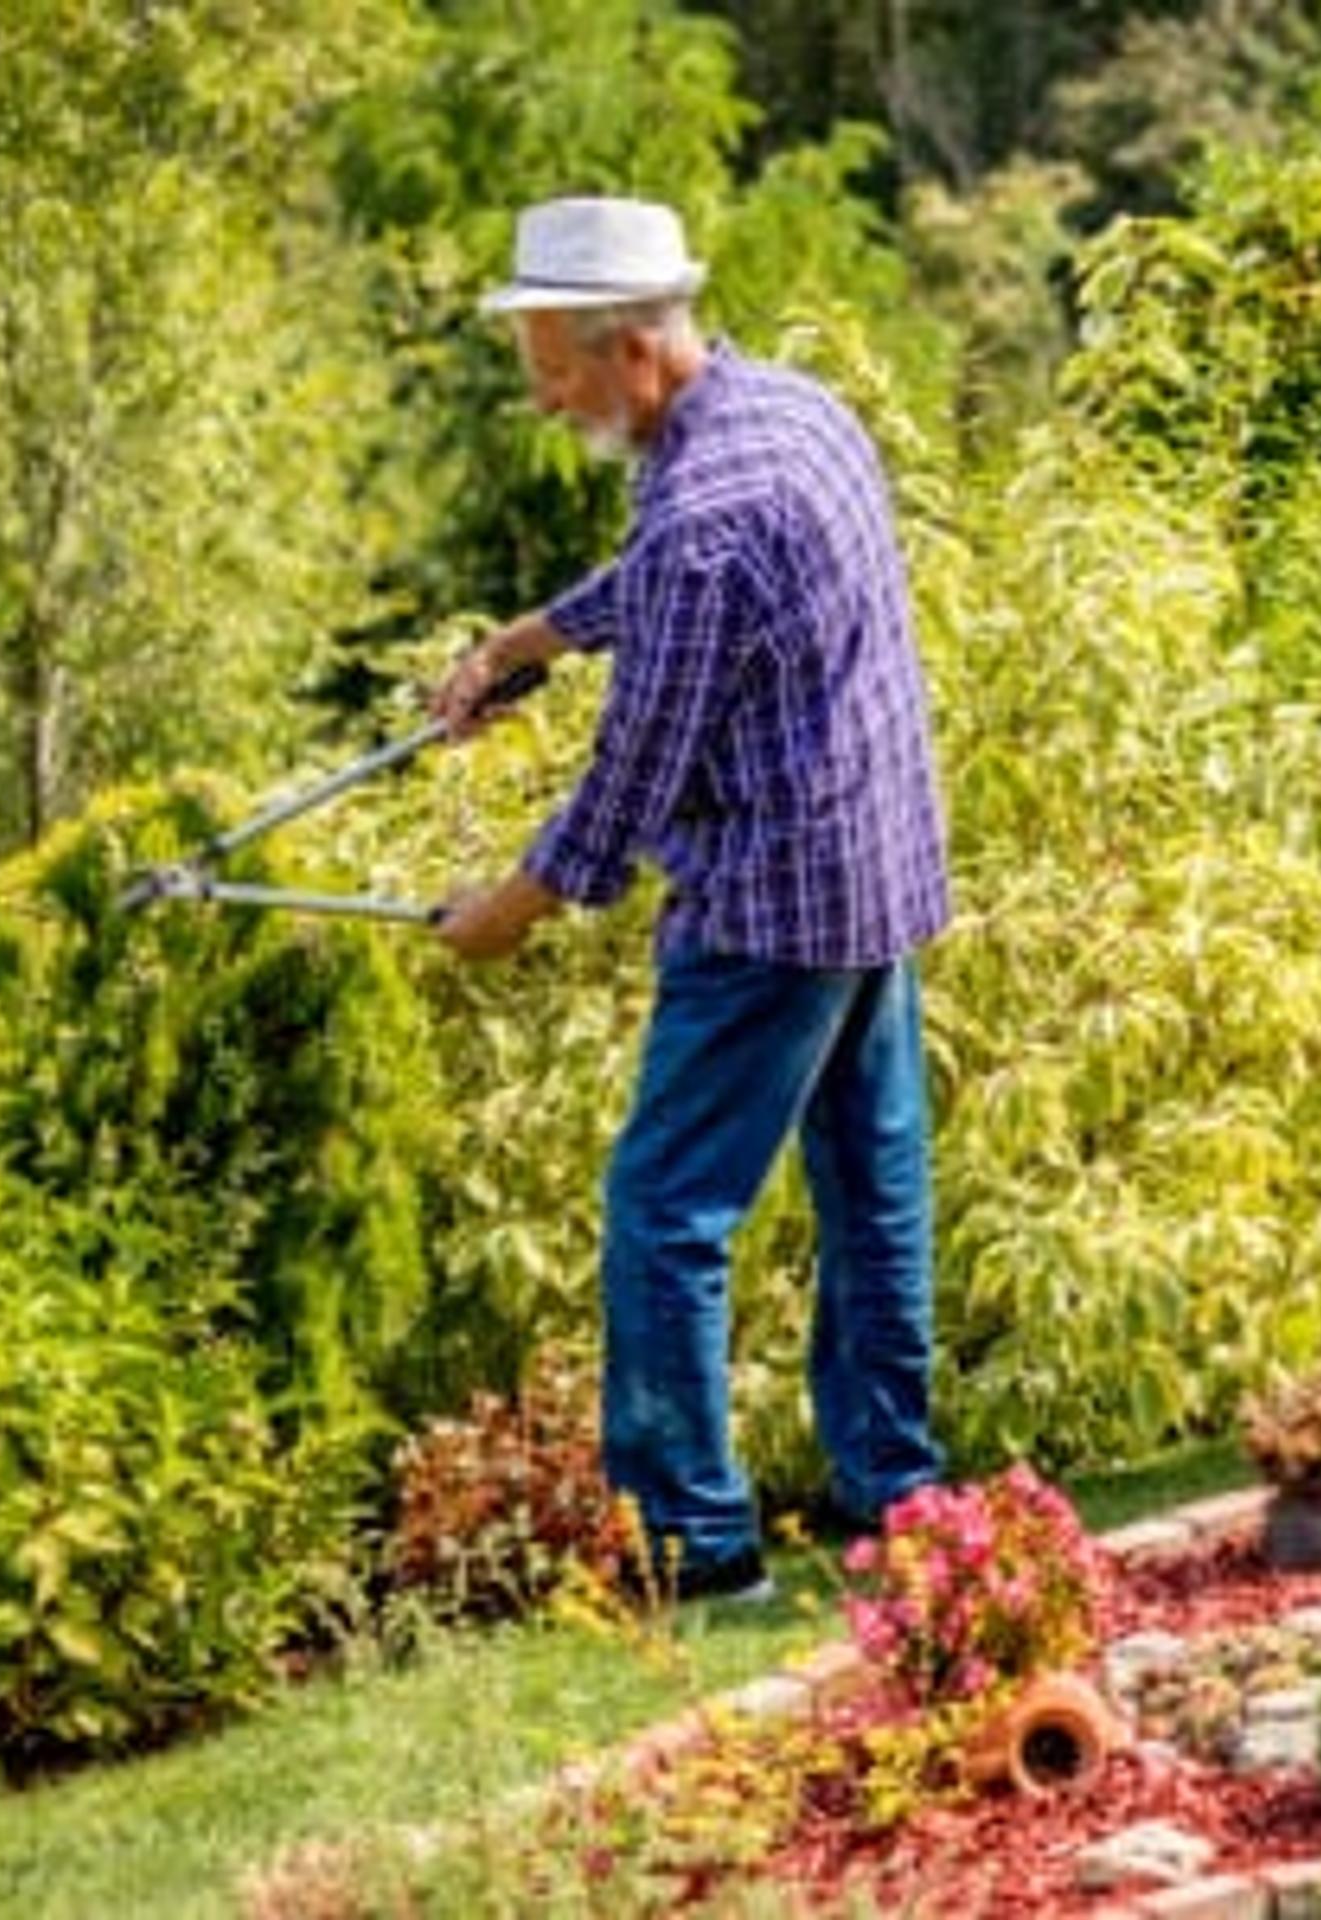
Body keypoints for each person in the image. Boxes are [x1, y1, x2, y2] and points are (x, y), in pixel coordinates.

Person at [428, 196, 951, 1604]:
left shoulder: (711, 509)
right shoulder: (786, 409)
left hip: (773, 906)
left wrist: (506, 911)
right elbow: (665, 587)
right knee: (873, 1185)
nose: (541, 395)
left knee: (663, 1209)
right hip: (877, 874)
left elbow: (631, 781)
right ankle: (901, 1499)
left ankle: (699, 1550)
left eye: (551, 363)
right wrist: (531, 638)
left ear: (633, 347)